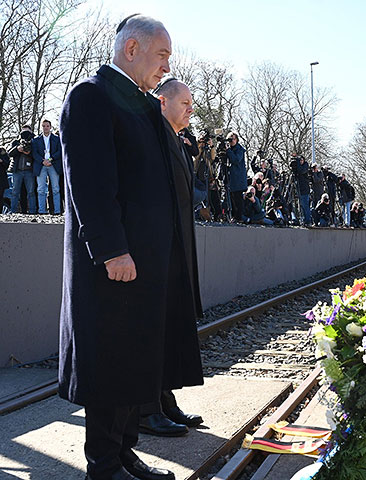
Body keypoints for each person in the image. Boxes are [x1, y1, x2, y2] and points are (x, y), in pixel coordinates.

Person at [58, 14, 202, 480]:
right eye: (162, 55)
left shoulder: (140, 106)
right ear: (132, 49)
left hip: (145, 264)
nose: (166, 66)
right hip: (114, 264)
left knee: (135, 358)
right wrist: (111, 250)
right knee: (111, 361)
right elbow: (91, 185)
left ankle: (124, 453)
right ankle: (102, 464)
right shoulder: (91, 96)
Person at [135, 78, 204, 437]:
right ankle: (146, 410)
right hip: (156, 247)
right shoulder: (152, 135)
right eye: (185, 102)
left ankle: (164, 400)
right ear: (162, 102)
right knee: (152, 329)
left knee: (169, 328)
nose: (191, 108)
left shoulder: (175, 138)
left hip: (176, 245)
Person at [32, 119, 63, 214]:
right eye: (44, 126)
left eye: (47, 126)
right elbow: (34, 153)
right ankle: (42, 211)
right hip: (41, 165)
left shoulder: (57, 139)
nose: (46, 128)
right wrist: (42, 161)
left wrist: (50, 159)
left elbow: (60, 151)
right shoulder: (36, 140)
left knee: (55, 189)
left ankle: (57, 211)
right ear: (42, 127)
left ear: (50, 127)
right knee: (41, 189)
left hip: (53, 164)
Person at [8, 125, 36, 214]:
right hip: (17, 171)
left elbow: (36, 155)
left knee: (31, 192)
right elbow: (9, 153)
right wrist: (17, 149)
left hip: (29, 171)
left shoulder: (34, 142)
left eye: (27, 132)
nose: (25, 134)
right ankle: (13, 211)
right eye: (23, 132)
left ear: (31, 132)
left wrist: (28, 152)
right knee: (15, 192)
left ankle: (32, 212)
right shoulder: (16, 142)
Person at [226, 132, 246, 223]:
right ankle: (233, 216)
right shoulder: (229, 149)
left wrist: (228, 151)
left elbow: (236, 160)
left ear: (237, 140)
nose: (231, 141)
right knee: (231, 198)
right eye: (230, 139)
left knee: (238, 198)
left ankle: (239, 217)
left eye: (233, 139)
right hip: (231, 178)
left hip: (238, 178)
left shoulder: (240, 149)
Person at [293, 153, 312, 225]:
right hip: (299, 189)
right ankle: (303, 219)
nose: (300, 161)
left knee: (305, 205)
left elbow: (301, 171)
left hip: (304, 189)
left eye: (301, 160)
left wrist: (297, 162)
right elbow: (295, 172)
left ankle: (308, 220)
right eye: (299, 160)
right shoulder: (299, 166)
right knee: (301, 205)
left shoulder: (305, 166)